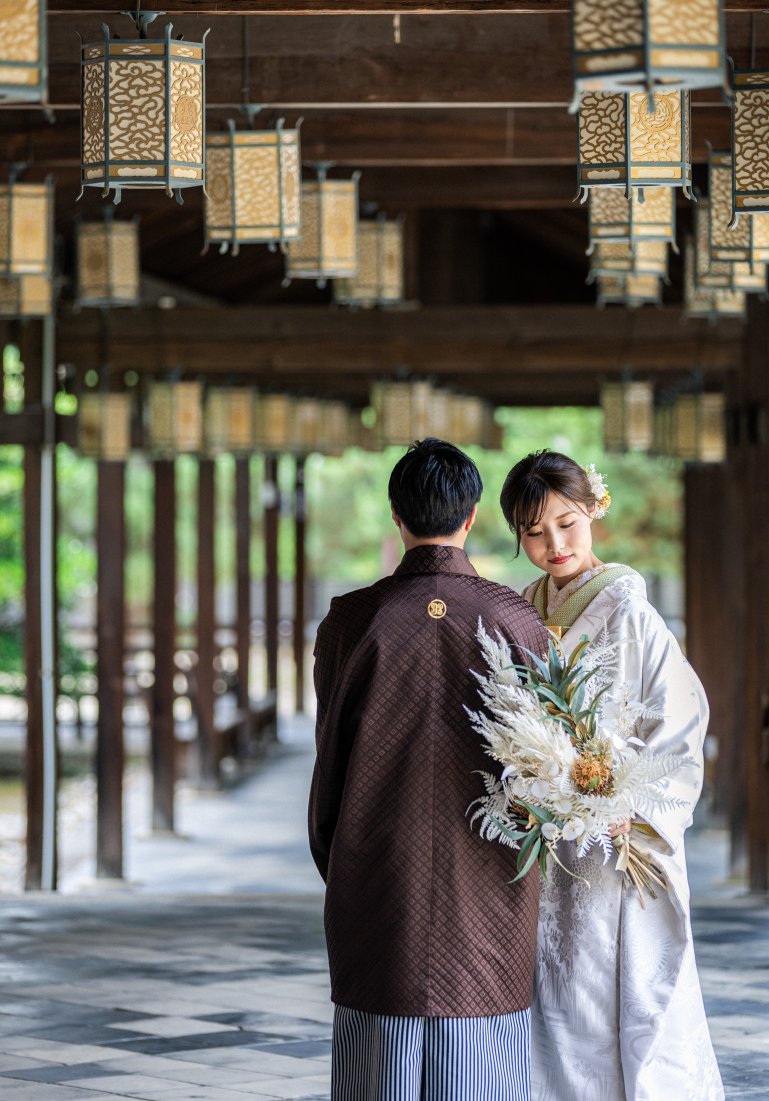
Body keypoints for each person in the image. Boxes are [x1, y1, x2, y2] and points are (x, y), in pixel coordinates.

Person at [309, 438, 549, 1101]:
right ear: (471, 516)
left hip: (381, 875)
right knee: (484, 1064)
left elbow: (331, 754)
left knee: (374, 1067)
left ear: (397, 514)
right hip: (490, 879)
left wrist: (340, 857)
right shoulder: (515, 620)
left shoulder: (352, 620)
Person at [499, 448, 724, 1101]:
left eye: (567, 523)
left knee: (606, 989)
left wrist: (633, 804)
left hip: (613, 832)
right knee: (551, 992)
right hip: (546, 835)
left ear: (594, 510)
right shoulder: (521, 611)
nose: (553, 544)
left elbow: (681, 723)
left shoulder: (631, 611)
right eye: (534, 533)